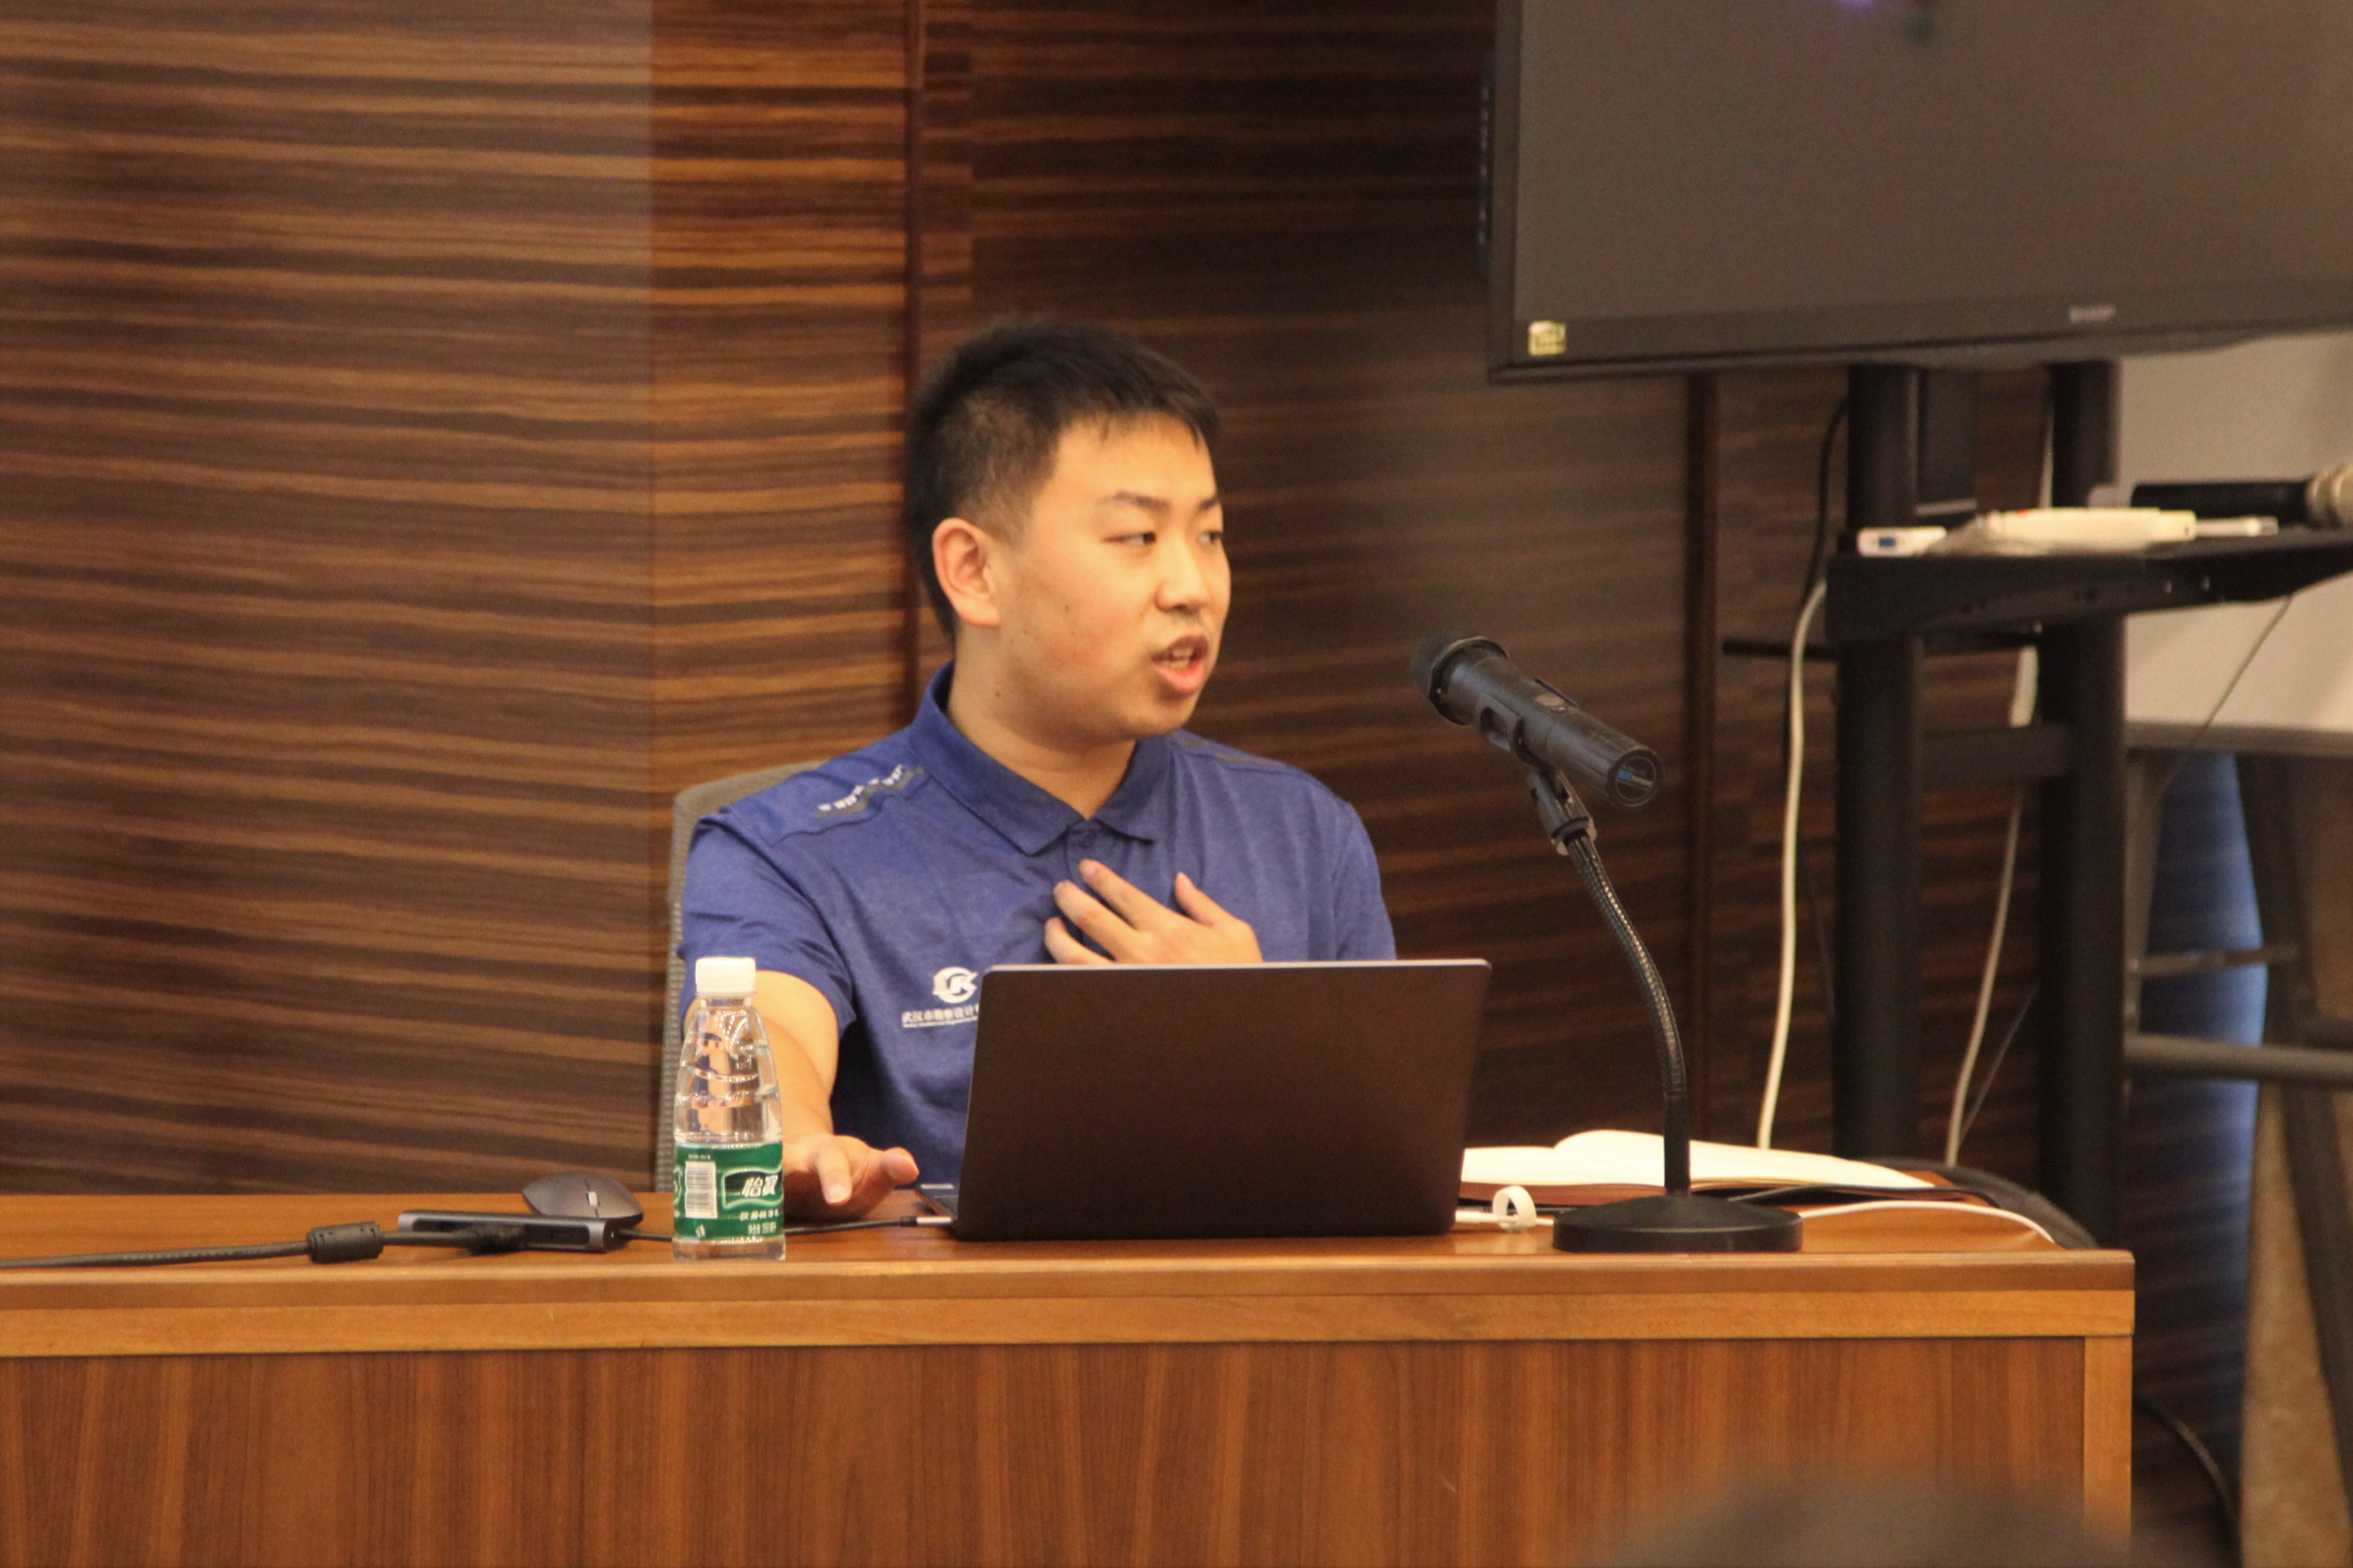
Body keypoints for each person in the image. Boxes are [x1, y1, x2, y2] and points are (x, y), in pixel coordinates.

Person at [679, 320, 1395, 1219]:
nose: (1193, 587)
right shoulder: (786, 853)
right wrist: (795, 1150)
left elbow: (1391, 1175)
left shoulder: (1301, 831)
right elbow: (768, 1041)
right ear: (974, 570)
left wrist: (1257, 1032)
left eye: (1211, 535)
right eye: (1138, 537)